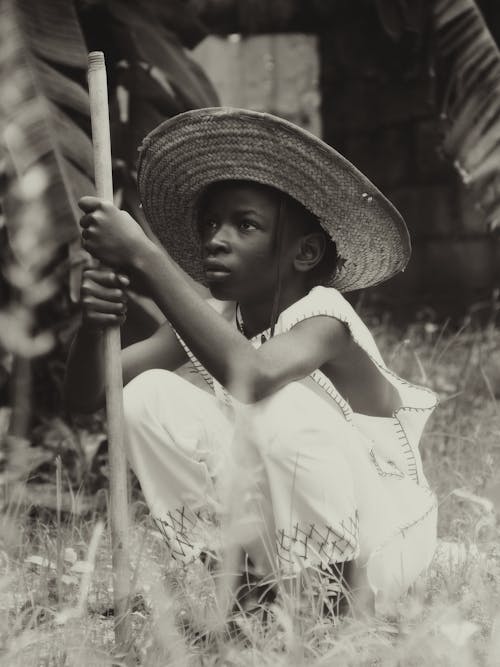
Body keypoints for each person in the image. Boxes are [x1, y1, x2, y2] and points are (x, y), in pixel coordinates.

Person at [65, 107, 438, 613]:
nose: (216, 239)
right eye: (212, 223)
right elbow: (90, 397)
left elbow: (254, 377)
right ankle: (249, 596)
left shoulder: (325, 317)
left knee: (279, 405)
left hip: (384, 545)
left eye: (245, 225)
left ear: (304, 253)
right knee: (145, 397)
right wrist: (93, 327)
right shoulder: (218, 318)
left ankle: (337, 605)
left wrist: (145, 259)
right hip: (281, 537)